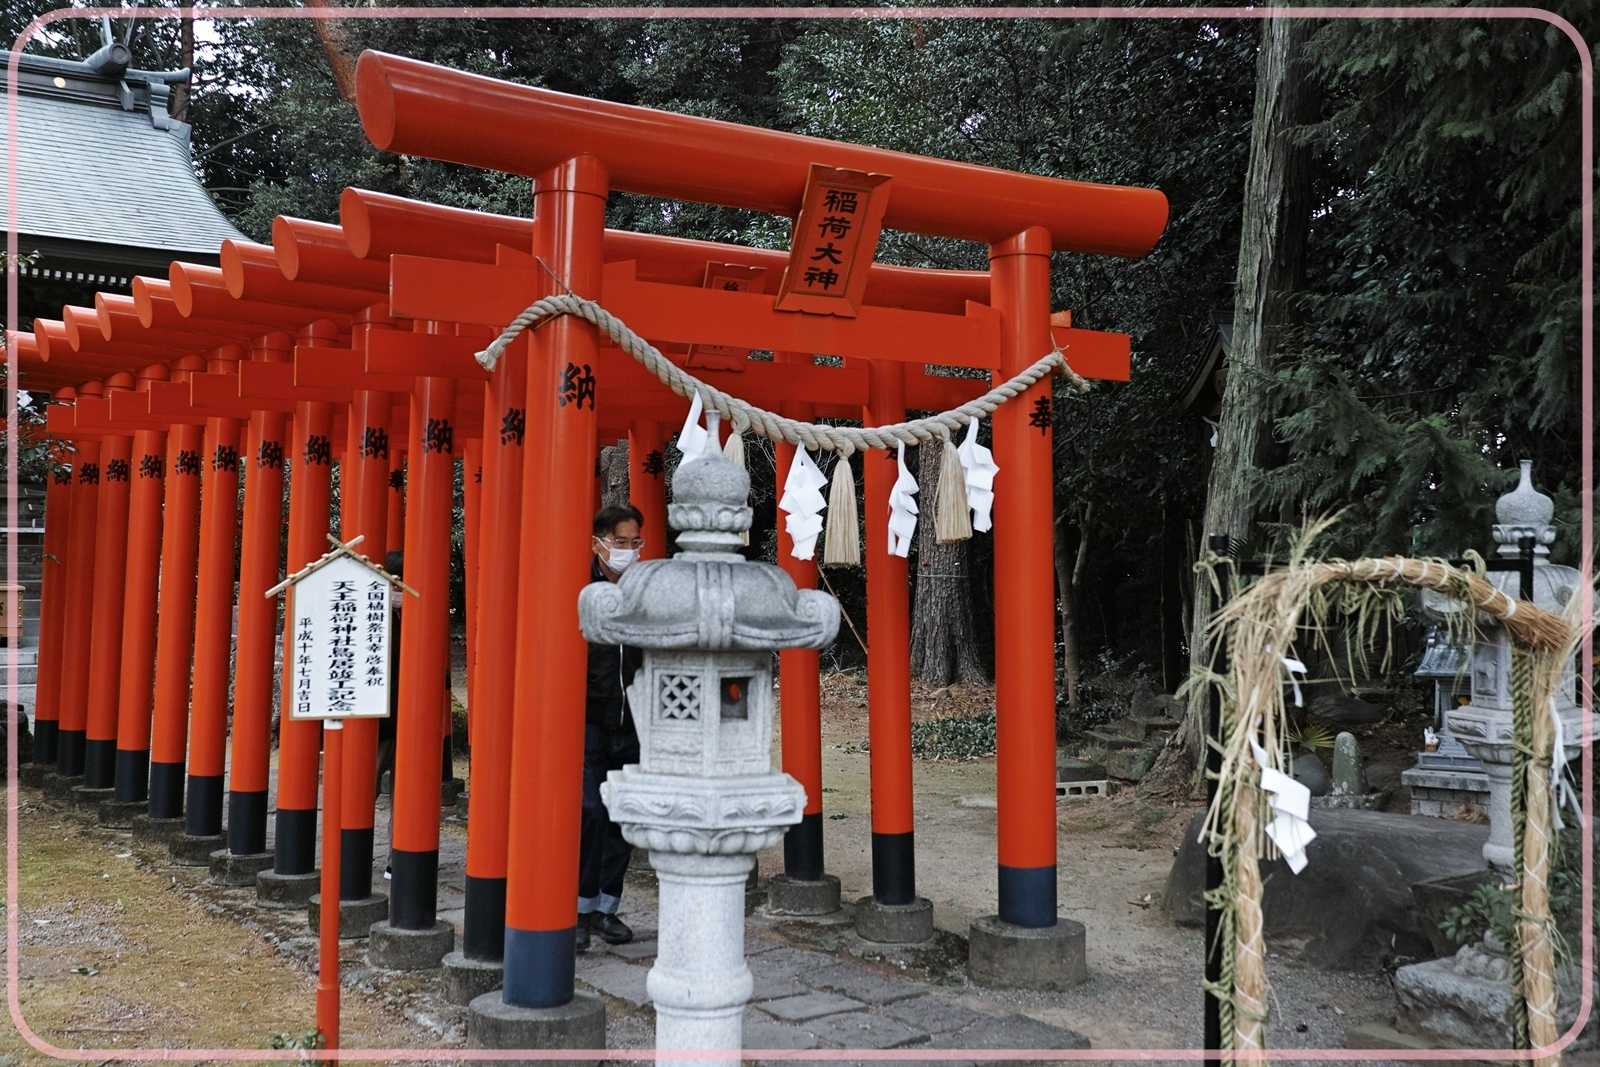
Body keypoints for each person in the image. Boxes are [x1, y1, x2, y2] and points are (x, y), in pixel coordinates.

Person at [577, 503, 645, 953]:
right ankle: (578, 911)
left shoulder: (644, 592)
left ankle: (607, 907)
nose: (629, 551)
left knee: (624, 814)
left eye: (635, 543)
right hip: (589, 721)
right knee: (590, 814)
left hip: (633, 721)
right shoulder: (580, 589)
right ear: (599, 542)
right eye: (621, 543)